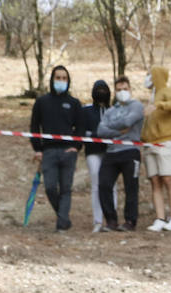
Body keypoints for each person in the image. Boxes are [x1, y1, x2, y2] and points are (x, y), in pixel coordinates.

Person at [29, 65, 82, 231]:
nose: (61, 81)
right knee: (50, 187)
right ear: (52, 80)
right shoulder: (42, 102)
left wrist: (76, 147)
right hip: (48, 152)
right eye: (58, 78)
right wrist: (38, 149)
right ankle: (64, 218)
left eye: (64, 78)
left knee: (66, 188)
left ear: (68, 81)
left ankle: (61, 223)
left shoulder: (74, 103)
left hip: (68, 152)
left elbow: (80, 128)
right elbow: (34, 126)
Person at [96, 76, 143, 232]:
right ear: (114, 92)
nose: (122, 92)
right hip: (112, 151)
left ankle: (130, 221)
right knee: (103, 184)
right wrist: (119, 131)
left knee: (131, 187)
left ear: (130, 90)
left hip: (130, 150)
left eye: (125, 89)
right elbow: (101, 131)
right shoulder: (110, 111)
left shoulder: (136, 106)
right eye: (119, 90)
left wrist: (112, 129)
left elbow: (129, 122)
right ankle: (111, 220)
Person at [141, 66, 171, 232]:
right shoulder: (151, 97)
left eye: (149, 75)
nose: (147, 78)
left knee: (169, 180)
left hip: (166, 141)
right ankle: (160, 217)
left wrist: (159, 105)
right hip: (150, 143)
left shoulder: (167, 91)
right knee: (155, 180)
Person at [81, 79, 112, 232]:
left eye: (104, 89)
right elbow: (82, 131)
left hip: (110, 151)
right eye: (98, 89)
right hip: (93, 151)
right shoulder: (86, 110)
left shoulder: (112, 111)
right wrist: (95, 135)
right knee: (96, 183)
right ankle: (97, 220)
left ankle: (111, 219)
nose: (101, 93)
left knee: (110, 185)